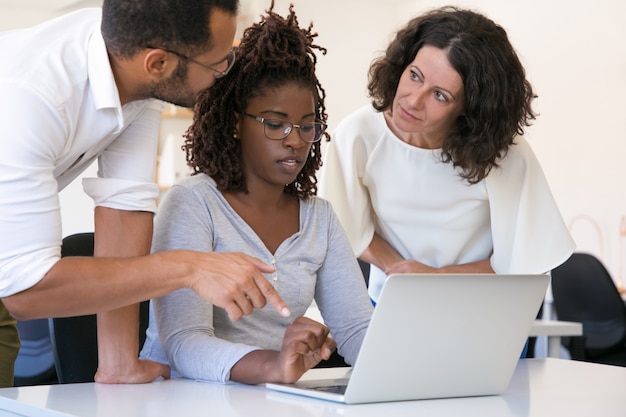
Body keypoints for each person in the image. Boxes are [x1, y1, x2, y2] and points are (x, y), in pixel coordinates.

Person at [0, 0, 290, 387]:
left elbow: (124, 207)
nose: (225, 72)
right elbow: (27, 291)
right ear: (158, 63)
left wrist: (119, 364)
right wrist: (188, 267)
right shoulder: (29, 98)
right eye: (217, 62)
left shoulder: (132, 61)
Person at [139, 2, 373, 385]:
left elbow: (357, 328)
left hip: (272, 397)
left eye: (307, 127)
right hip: (182, 397)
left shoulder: (319, 218)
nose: (295, 141)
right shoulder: (194, 203)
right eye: (276, 125)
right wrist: (272, 366)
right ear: (235, 124)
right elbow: (183, 343)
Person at [318, 6, 576, 304]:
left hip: (485, 307)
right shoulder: (358, 134)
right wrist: (400, 272)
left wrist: (436, 278)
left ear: (470, 107)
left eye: (440, 95)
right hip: (393, 302)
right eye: (414, 76)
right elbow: (347, 230)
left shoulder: (504, 152)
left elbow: (522, 261)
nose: (413, 101)